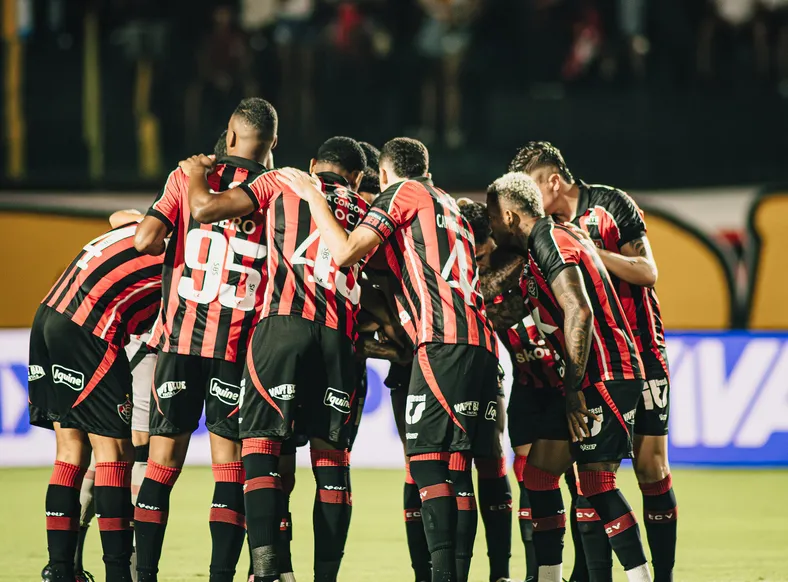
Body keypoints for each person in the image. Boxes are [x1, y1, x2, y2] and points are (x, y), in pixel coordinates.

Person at [280, 137, 499, 582]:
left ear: (382, 175)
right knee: (458, 467)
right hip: (477, 342)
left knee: (424, 464)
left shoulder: (403, 194)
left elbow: (343, 253)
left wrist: (310, 197)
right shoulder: (447, 204)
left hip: (442, 339)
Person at [180, 136, 369, 582]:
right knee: (331, 464)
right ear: (357, 178)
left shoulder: (281, 181)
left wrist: (192, 173)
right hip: (341, 340)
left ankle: (267, 572)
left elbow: (205, 210)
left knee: (262, 450)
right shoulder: (366, 209)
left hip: (282, 328)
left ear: (312, 164)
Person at [510, 142, 677, 582]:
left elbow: (647, 271)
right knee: (589, 471)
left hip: (641, 349)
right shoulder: (544, 231)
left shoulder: (610, 204)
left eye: (531, 189)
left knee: (650, 467)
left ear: (552, 181)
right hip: (592, 361)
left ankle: (662, 576)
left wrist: (592, 251)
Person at [132, 98, 277, 582]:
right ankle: (220, 576)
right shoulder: (273, 192)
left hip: (178, 342)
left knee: (160, 464)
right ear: (271, 145)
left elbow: (145, 242)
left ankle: (144, 573)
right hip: (235, 348)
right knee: (228, 468)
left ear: (229, 136)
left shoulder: (184, 179)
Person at [486, 172, 652, 582]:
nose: (491, 226)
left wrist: (574, 389)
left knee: (596, 482)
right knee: (540, 476)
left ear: (509, 216)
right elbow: (509, 313)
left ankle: (641, 577)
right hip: (593, 375)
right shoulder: (551, 240)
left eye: (492, 217)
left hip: (606, 374)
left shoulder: (551, 241)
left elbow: (579, 310)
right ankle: (548, 577)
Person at [28, 218, 163, 582]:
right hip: (89, 328)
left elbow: (119, 216)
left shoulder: (149, 224)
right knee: (116, 454)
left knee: (71, 451)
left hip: (48, 316)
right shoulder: (189, 251)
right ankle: (118, 574)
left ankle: (61, 571)